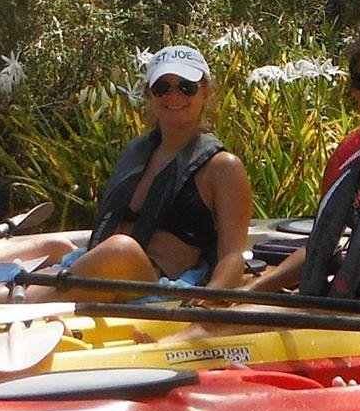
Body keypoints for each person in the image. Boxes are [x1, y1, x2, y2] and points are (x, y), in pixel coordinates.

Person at [166, 14, 360, 344]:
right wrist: (247, 293)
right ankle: (163, 348)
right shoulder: (351, 154)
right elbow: (320, 246)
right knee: (222, 319)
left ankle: (160, 355)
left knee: (214, 330)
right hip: (344, 301)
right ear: (353, 88)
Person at [24, 45, 256, 298]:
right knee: (39, 249)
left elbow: (233, 256)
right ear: (149, 94)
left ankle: (22, 302)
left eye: (186, 87)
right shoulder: (138, 152)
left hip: (158, 290)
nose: (174, 96)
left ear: (205, 92)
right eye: (162, 87)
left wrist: (210, 301)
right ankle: (9, 295)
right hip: (99, 271)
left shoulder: (223, 168)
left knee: (122, 249)